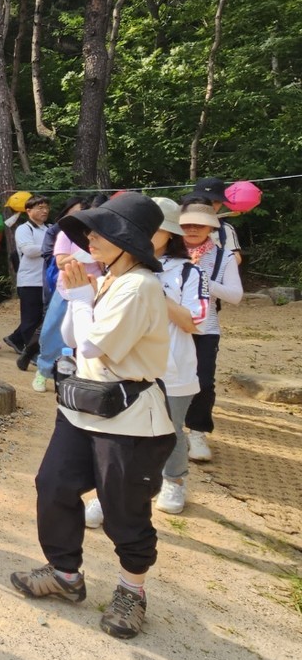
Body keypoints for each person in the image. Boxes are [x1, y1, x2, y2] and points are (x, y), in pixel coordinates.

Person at [10, 192, 173, 640]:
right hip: (83, 407)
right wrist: (74, 294)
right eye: (91, 230)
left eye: (104, 232)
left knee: (124, 507)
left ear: (130, 242)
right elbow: (71, 337)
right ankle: (65, 572)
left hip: (130, 417)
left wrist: (81, 298)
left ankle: (131, 590)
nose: (91, 238)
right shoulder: (107, 280)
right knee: (54, 484)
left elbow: (93, 345)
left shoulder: (140, 285)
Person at [85, 197, 206, 524]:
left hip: (173, 369)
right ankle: (107, 494)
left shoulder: (186, 272)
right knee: (119, 433)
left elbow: (195, 321)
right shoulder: (114, 268)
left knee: (170, 430)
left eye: (153, 229)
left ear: (169, 235)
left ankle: (174, 480)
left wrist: (151, 289)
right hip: (125, 369)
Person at [178, 200, 243, 463]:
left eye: (199, 224)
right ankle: (166, 430)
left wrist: (203, 279)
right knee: (164, 377)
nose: (193, 229)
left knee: (203, 381)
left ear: (210, 227)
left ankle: (197, 432)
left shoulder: (223, 256)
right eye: (187, 224)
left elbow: (236, 295)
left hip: (206, 327)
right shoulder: (166, 252)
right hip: (169, 326)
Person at [29, 196, 100, 391]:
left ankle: (79, 377)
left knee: (87, 335)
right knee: (52, 331)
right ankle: (43, 372)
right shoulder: (65, 234)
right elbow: (60, 262)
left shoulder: (101, 235)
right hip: (66, 290)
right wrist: (80, 256)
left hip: (93, 290)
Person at [5, 195, 50, 353]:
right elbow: (29, 250)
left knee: (39, 317)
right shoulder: (24, 229)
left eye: (46, 208)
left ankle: (15, 339)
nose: (44, 211)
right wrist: (52, 247)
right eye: (40, 208)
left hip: (46, 280)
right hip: (30, 280)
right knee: (30, 318)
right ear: (29, 211)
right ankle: (30, 351)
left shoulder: (49, 228)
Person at [191, 177, 243, 266]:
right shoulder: (180, 224)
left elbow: (237, 259)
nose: (211, 205)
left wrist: (213, 250)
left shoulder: (225, 229)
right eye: (206, 200)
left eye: (216, 201)